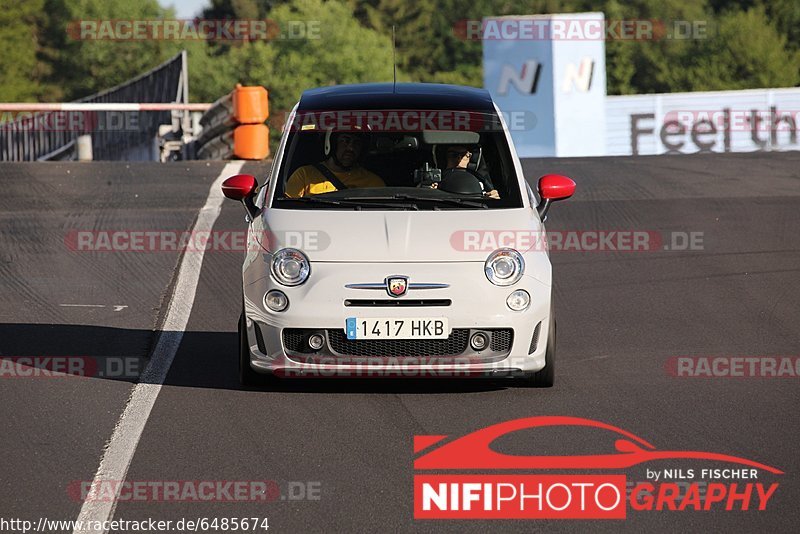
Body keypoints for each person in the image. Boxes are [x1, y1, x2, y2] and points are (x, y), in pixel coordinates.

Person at [285, 130, 384, 198]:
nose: (351, 148)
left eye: (357, 143)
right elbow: (287, 211)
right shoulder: (304, 175)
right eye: (345, 141)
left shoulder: (374, 183)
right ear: (331, 143)